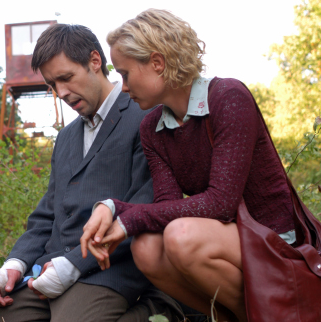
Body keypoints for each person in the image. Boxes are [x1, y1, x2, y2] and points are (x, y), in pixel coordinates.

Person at [80, 9, 296, 322]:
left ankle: (275, 313)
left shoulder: (228, 97)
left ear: (157, 63)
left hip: (271, 238)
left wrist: (127, 219)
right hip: (219, 239)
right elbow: (167, 208)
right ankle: (234, 315)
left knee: (182, 237)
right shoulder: (152, 127)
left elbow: (221, 203)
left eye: (125, 74)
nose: (122, 87)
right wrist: (112, 207)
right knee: (147, 249)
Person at [0, 24, 185, 322]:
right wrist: (14, 264)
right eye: (53, 84)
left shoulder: (144, 116)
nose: (62, 92)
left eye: (67, 77)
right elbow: (46, 215)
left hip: (111, 270)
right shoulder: (65, 138)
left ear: (95, 61)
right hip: (47, 272)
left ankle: (167, 305)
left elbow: (148, 207)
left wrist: (72, 264)